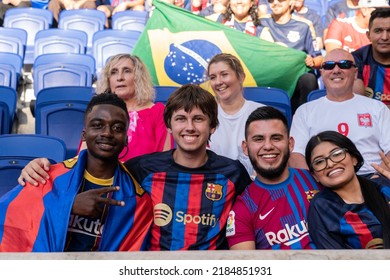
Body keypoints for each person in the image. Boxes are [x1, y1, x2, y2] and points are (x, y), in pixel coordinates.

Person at [18, 84, 252, 251]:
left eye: (199, 119)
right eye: (181, 119)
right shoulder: (141, 169)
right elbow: (95, 169)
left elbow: (259, 206)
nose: (189, 127)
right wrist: (37, 168)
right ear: (169, 126)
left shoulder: (232, 172)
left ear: (213, 126)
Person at [0, 92, 153, 252]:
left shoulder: (138, 201)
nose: (107, 133)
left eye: (117, 128)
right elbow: (9, 218)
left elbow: (129, 262)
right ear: (84, 135)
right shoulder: (46, 177)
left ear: (126, 138)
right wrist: (68, 207)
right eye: (97, 125)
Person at [289, 48, 390, 186]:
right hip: (325, 182)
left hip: (372, 179)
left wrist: (377, 180)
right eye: (329, 65)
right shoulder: (305, 111)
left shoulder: (378, 108)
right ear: (322, 72)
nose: (336, 70)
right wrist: (316, 184)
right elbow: (296, 156)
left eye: (344, 64)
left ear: (355, 73)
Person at [226, 106, 320, 250]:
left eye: (276, 138)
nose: (268, 146)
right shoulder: (242, 209)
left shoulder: (316, 179)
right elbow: (245, 268)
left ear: (290, 144)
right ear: (245, 148)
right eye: (258, 139)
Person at [305, 130, 390, 249]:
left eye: (336, 154)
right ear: (315, 176)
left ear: (354, 158)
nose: (330, 164)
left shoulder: (383, 187)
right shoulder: (322, 207)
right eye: (319, 162)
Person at [84, 53, 172, 162]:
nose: (120, 78)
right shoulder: (97, 111)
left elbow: (164, 159)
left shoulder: (158, 112)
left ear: (139, 77)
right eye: (114, 72)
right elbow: (83, 156)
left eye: (127, 71)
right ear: (108, 80)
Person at [259, 0, 322, 114]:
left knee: (308, 79)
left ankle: (303, 119)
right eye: (271, 0)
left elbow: (319, 59)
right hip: (269, 76)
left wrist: (312, 61)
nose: (275, 2)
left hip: (295, 77)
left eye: (281, 0)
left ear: (291, 2)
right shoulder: (260, 22)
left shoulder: (304, 25)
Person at [207, 53, 264, 177]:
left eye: (224, 74)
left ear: (241, 77)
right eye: (212, 77)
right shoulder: (204, 115)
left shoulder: (263, 113)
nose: (218, 82)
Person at [352, 7, 390, 106]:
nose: (385, 37)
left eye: (389, 31)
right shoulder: (357, 59)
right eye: (378, 31)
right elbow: (359, 104)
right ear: (368, 35)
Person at [324, 0, 389, 53]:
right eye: (379, 11)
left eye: (386, 12)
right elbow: (333, 57)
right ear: (364, 10)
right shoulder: (340, 25)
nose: (383, 15)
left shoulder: (386, 32)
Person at [209, 0, 273, 40]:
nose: (239, 1)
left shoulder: (261, 31)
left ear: (251, 3)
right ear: (229, 3)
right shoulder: (217, 20)